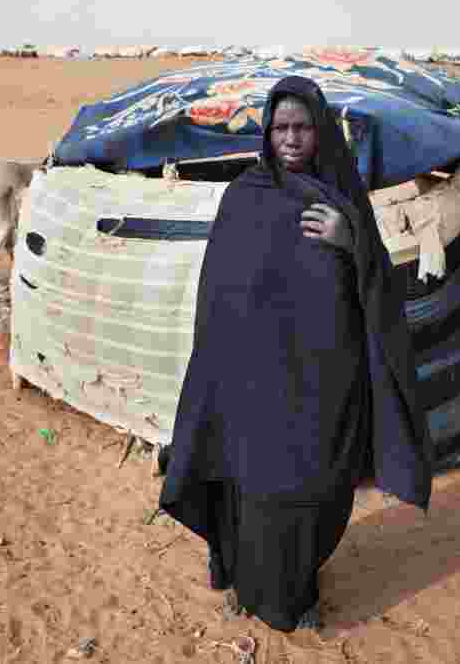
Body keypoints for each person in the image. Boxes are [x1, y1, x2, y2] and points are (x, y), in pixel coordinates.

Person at [158, 75, 433, 633]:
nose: (290, 138)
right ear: (267, 133)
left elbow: (379, 282)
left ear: (320, 129)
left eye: (302, 127)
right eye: (280, 128)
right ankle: (246, 576)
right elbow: (219, 294)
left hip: (322, 378)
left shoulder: (342, 195)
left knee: (312, 486)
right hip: (250, 380)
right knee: (248, 484)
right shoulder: (246, 196)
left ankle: (295, 586)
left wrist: (348, 239)